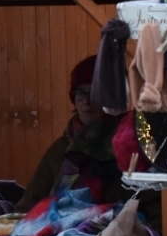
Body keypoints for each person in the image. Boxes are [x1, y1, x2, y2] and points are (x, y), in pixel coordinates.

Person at [18, 55, 125, 210]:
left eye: (94, 92)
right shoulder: (61, 149)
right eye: (80, 93)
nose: (86, 101)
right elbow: (29, 205)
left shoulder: (131, 145)